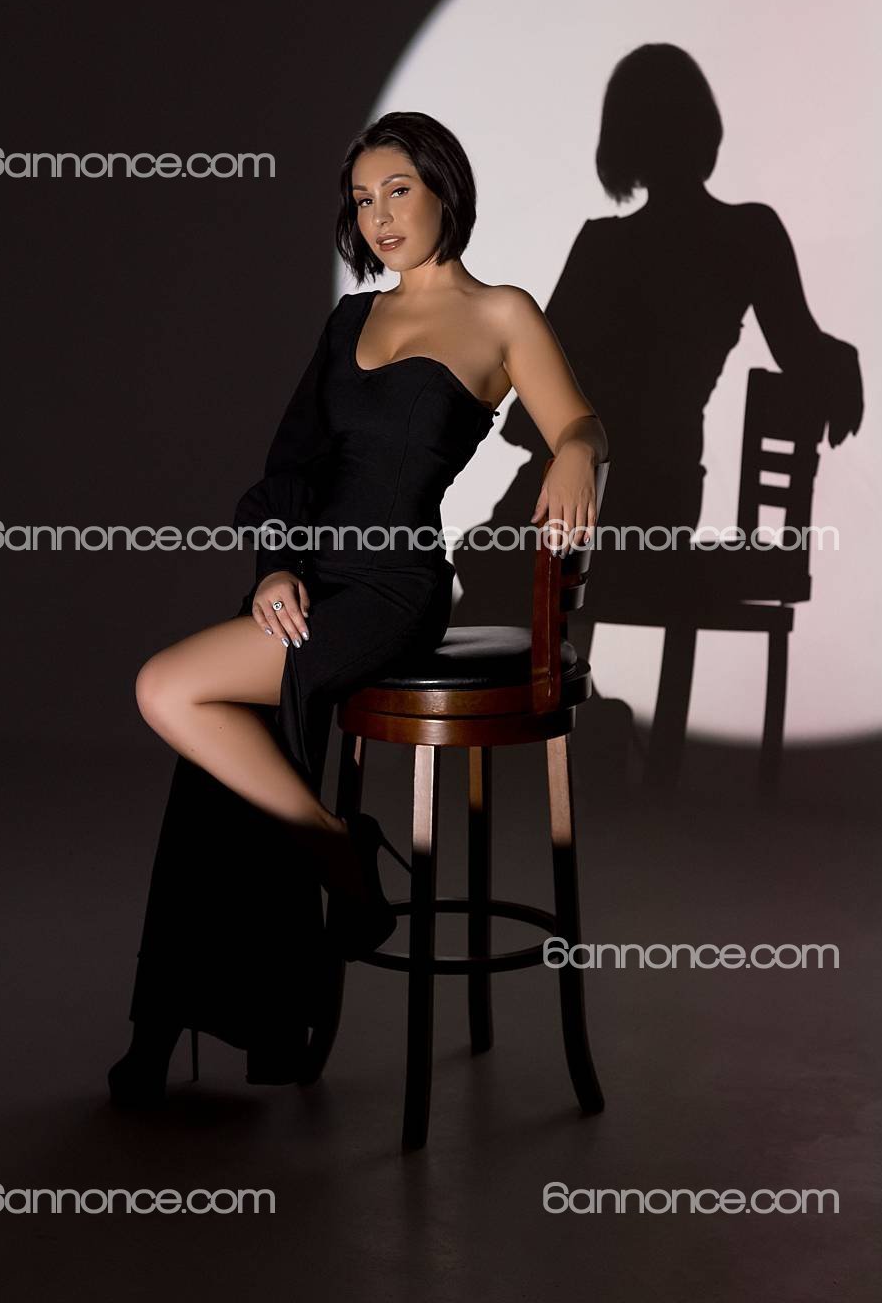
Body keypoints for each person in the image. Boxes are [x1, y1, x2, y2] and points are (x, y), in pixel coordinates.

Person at [107, 110, 608, 1107]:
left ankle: (335, 860)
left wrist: (578, 452)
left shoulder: (501, 314)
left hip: (392, 588)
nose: (379, 215)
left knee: (172, 689)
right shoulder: (348, 322)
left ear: (443, 190)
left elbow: (579, 419)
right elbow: (291, 462)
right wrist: (272, 568)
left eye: (398, 190)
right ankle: (197, 997)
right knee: (216, 761)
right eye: (362, 198)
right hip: (311, 580)